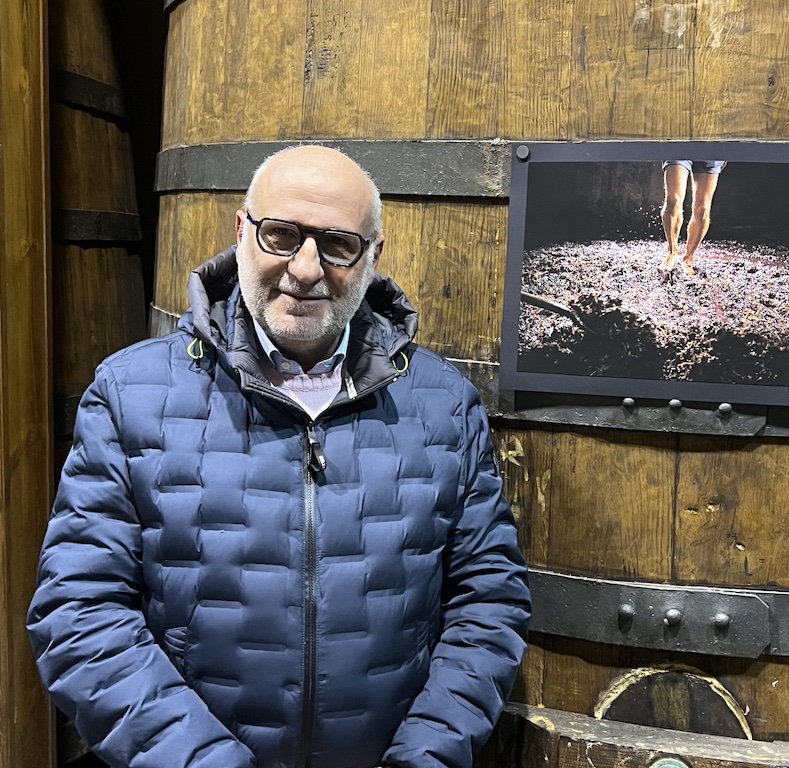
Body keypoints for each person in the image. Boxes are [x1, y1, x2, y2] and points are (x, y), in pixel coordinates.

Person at [27, 145, 531, 768]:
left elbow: (488, 602)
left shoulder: (443, 404)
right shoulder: (131, 393)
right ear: (242, 231)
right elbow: (79, 612)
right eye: (281, 235)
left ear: (375, 253)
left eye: (339, 245)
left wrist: (424, 756)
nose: (307, 268)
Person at [660, 159, 726, 276]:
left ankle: (688, 257)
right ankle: (672, 251)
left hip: (711, 147)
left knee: (703, 208)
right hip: (681, 143)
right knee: (673, 201)